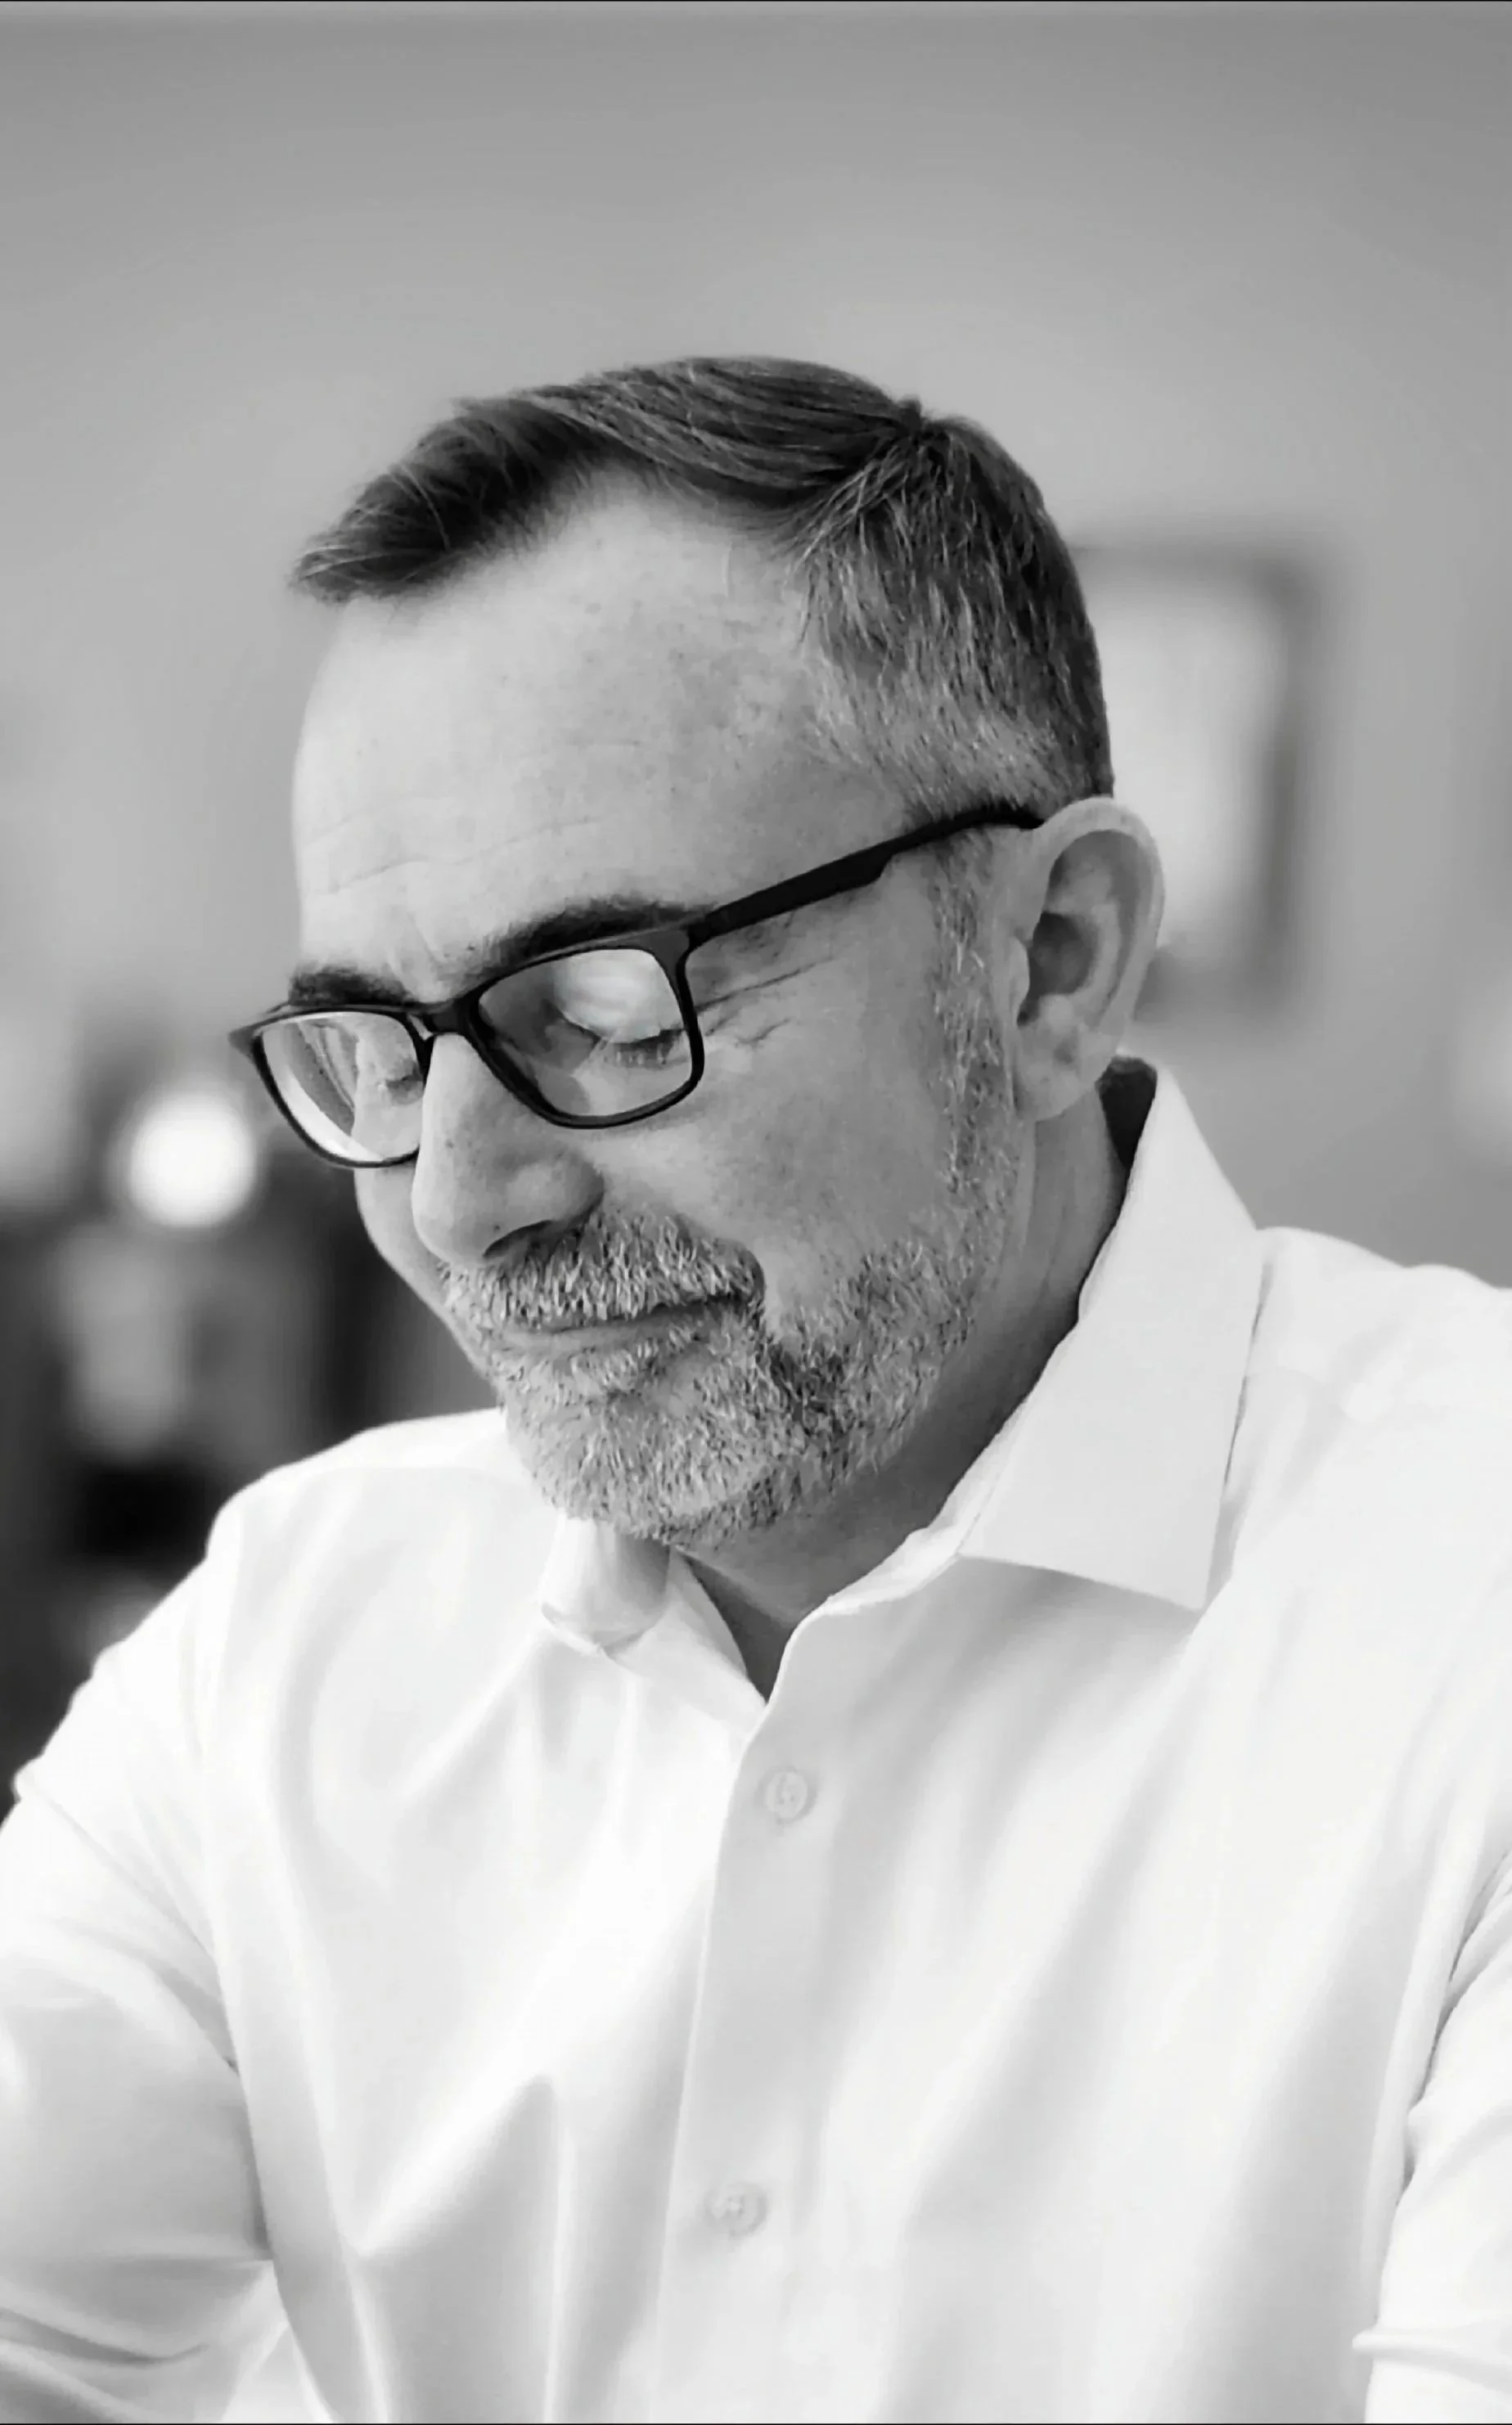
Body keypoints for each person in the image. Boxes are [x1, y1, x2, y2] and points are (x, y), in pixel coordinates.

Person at [2, 357, 1509, 2425]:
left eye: (609, 1012)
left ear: (1052, 960)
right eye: (374, 1050)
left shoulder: (1467, 1606)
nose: (459, 1205)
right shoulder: (290, 1643)